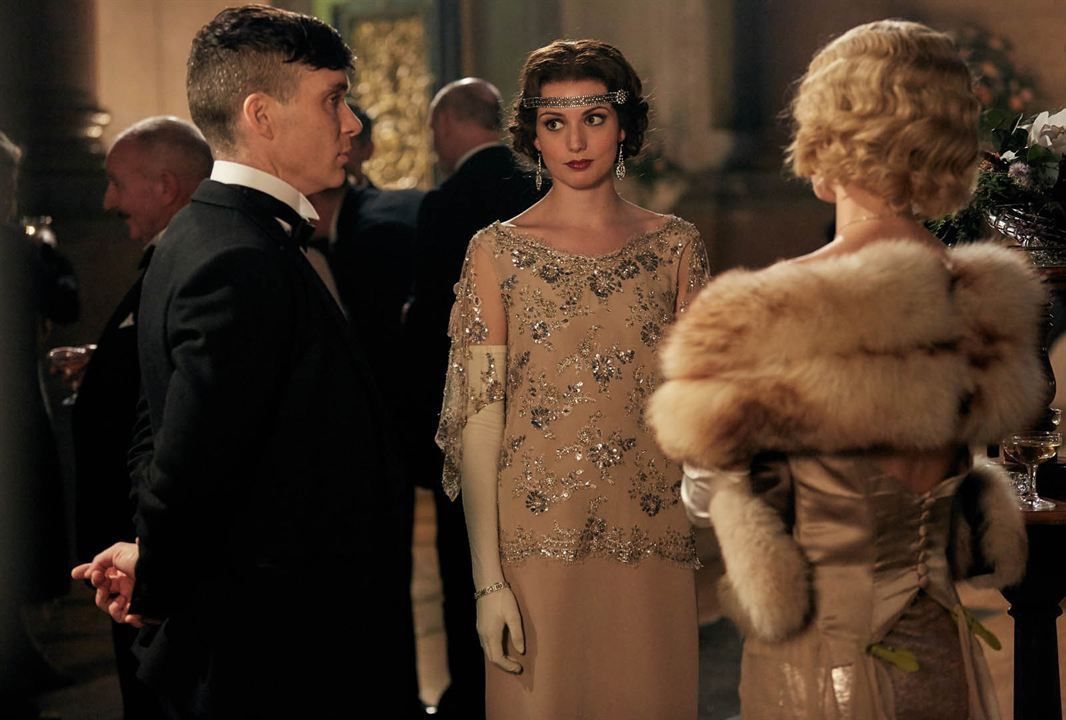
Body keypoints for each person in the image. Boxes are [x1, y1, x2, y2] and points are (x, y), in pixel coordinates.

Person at [647, 20, 1044, 720]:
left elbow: (705, 498)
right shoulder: (987, 301)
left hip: (817, 666)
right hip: (939, 654)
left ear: (827, 135)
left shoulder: (765, 310)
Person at [71, 6, 408, 718]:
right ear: (261, 115)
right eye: (333, 100)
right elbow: (186, 458)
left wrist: (148, 556)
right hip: (279, 650)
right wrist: (157, 571)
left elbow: (153, 426)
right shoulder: (237, 256)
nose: (351, 124)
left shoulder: (200, 232)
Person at [436, 40, 709, 719]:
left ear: (624, 126)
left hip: (654, 543)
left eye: (594, 118)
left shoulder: (676, 247)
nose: (576, 141)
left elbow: (704, 406)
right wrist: (487, 583)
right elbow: (479, 421)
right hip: (534, 553)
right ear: (533, 135)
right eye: (555, 122)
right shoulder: (495, 253)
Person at [404, 76, 543, 719]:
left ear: (450, 124)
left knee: (466, 565)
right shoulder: (541, 187)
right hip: (542, 410)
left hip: (467, 411)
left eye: (434, 129)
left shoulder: (448, 202)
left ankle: (473, 695)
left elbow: (434, 324)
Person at [72, 116, 211, 719]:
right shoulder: (169, 262)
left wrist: (149, 549)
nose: (108, 200)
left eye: (117, 183)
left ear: (165, 186)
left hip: (150, 548)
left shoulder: (192, 267)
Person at [307, 103, 426, 717]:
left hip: (385, 427)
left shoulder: (393, 217)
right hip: (314, 440)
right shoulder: (274, 231)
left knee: (384, 577)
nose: (344, 144)